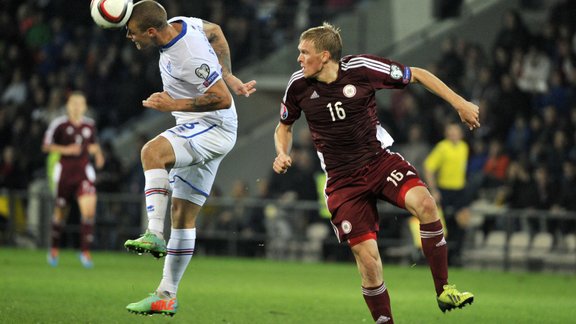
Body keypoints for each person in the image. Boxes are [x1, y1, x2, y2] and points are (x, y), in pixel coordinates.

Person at [272, 23, 478, 323]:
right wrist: (282, 152)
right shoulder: (298, 85)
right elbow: (284, 127)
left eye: (304, 52)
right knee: (369, 262)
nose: (299, 58)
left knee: (426, 204)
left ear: (325, 56)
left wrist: (460, 103)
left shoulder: (363, 68)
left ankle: (444, 290)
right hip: (343, 182)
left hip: (379, 162)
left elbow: (417, 74)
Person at [122, 0, 256, 317]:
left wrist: (175, 105)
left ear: (152, 31)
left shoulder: (187, 56)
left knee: (151, 151)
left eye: (133, 32)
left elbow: (222, 100)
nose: (130, 37)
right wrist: (227, 72)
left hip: (212, 127)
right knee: (182, 216)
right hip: (208, 128)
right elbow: (217, 32)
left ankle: (154, 233)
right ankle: (166, 295)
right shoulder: (182, 22)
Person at [42, 91, 105, 268]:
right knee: (61, 213)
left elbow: (92, 145)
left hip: (83, 173)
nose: (77, 106)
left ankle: (85, 252)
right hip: (64, 173)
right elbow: (46, 145)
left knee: (89, 212)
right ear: (68, 106)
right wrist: (66, 150)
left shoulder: (89, 125)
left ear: (85, 106)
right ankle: (54, 248)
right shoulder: (59, 124)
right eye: (73, 103)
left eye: (80, 103)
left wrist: (98, 153)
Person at [424, 122, 470, 267]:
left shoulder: (464, 147)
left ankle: (457, 255)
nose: (453, 135)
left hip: (460, 190)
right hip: (445, 191)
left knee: (463, 222)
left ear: (460, 134)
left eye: (455, 132)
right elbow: (428, 167)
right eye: (450, 132)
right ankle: (444, 257)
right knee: (444, 225)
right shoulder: (442, 147)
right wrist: (434, 190)